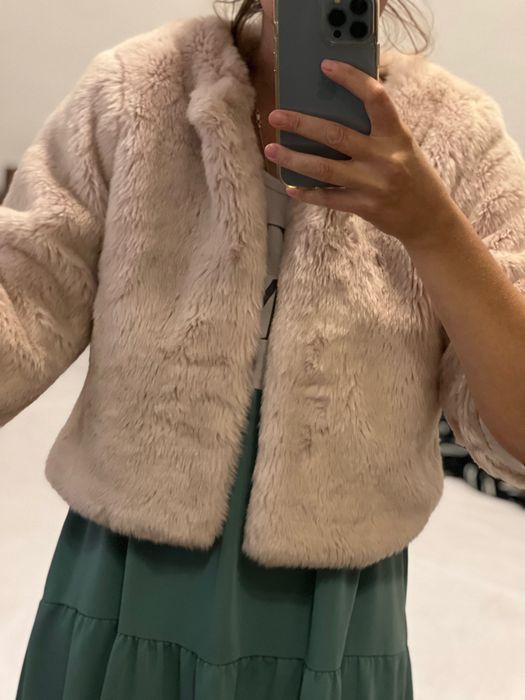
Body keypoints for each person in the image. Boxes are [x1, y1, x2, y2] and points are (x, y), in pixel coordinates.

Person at [6, 1, 525, 698]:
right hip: (125, 572)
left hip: (335, 600)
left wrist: (432, 229)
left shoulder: (461, 135)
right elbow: (25, 297)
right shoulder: (133, 91)